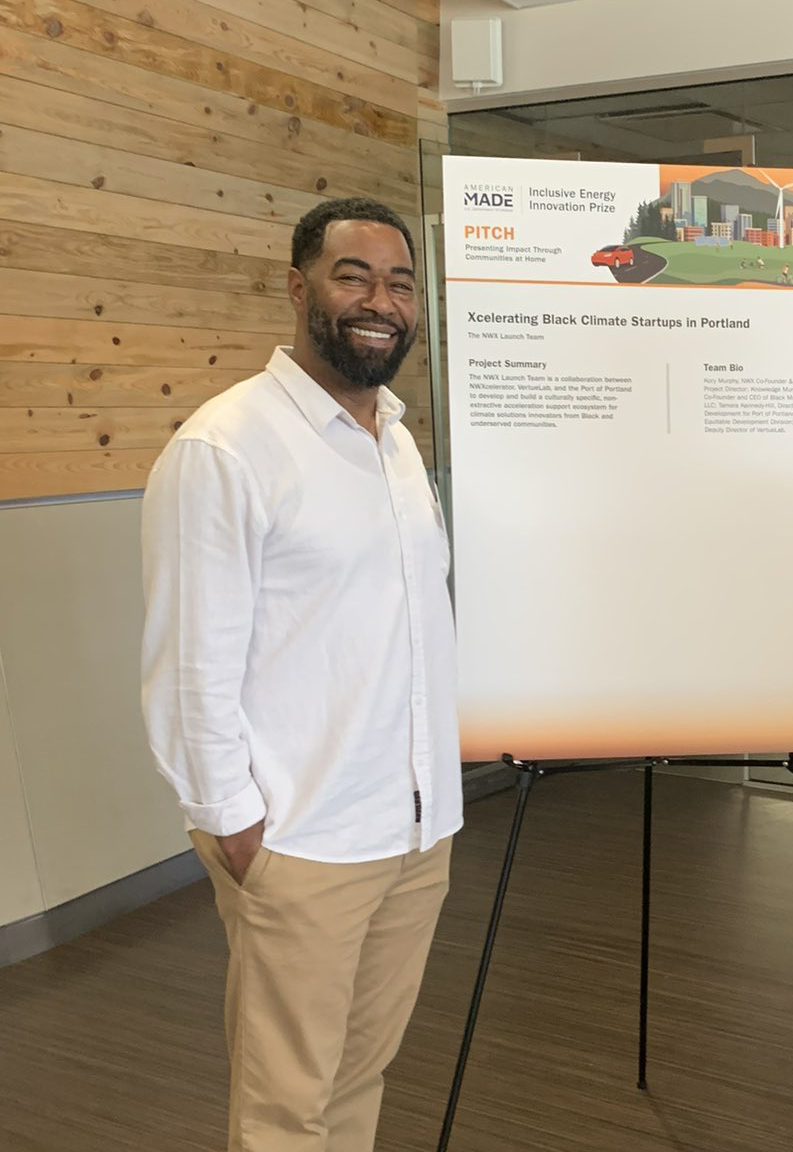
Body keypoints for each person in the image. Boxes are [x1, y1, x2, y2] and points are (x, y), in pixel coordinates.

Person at [141, 197, 462, 1152]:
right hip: (304, 840)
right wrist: (241, 832)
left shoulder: (393, 440)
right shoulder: (225, 447)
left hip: (413, 829)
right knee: (287, 1109)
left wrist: (431, 801)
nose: (380, 301)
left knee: (360, 1075)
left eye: (399, 283)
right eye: (352, 276)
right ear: (298, 288)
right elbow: (187, 669)